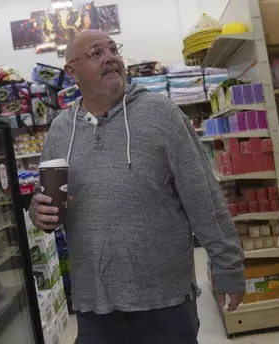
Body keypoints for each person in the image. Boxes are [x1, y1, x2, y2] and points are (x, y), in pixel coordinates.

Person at [29, 30, 244, 344]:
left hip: (166, 302)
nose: (110, 57)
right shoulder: (61, 130)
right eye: (95, 53)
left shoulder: (162, 115)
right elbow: (47, 199)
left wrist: (228, 267)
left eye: (113, 49)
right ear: (72, 72)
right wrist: (39, 212)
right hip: (95, 304)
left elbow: (203, 197)